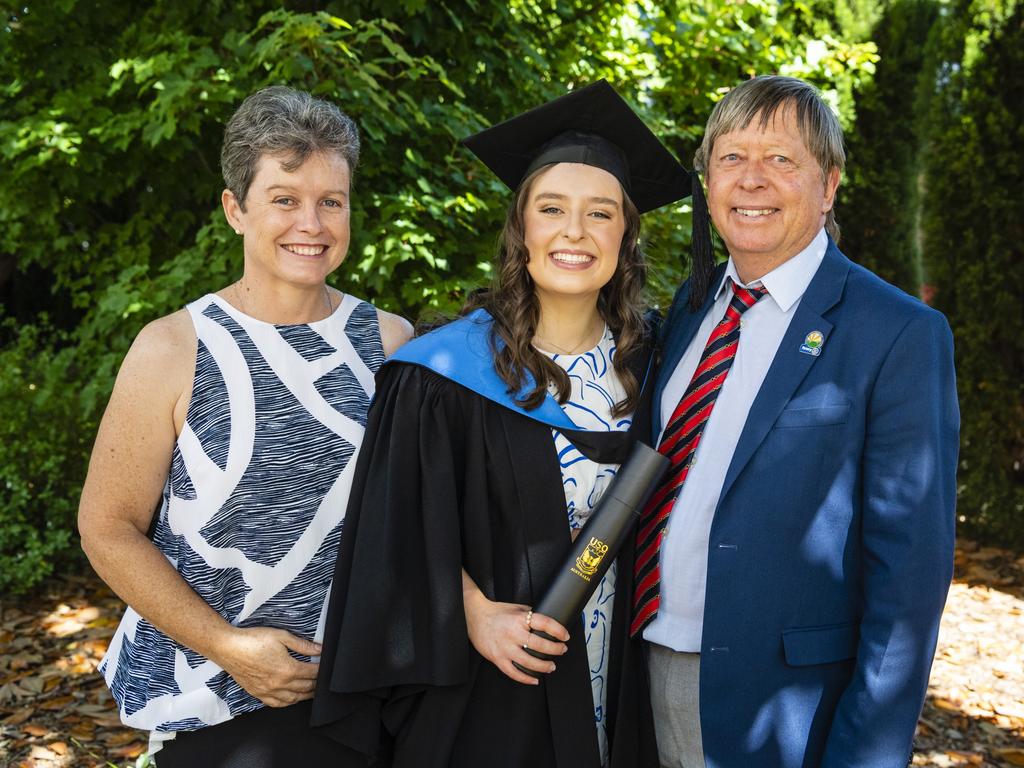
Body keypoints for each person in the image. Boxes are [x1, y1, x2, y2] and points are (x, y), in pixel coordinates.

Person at [311, 81, 710, 768]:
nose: (575, 233)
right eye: (552, 208)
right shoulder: (440, 373)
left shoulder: (662, 366)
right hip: (489, 694)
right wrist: (467, 611)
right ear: (521, 225)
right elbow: (388, 528)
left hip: (624, 684)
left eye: (601, 213)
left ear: (627, 234)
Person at [77, 86, 412, 767]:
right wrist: (229, 646)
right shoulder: (174, 348)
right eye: (284, 198)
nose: (310, 223)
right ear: (236, 209)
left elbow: (414, 521)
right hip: (211, 700)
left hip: (362, 698)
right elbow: (106, 528)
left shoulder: (390, 341)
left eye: (331, 201)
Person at [634, 75, 959, 768]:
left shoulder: (897, 333)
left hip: (783, 710)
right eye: (730, 158)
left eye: (781, 159)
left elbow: (908, 584)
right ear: (707, 178)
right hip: (637, 673)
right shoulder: (691, 308)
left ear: (830, 185)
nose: (751, 180)